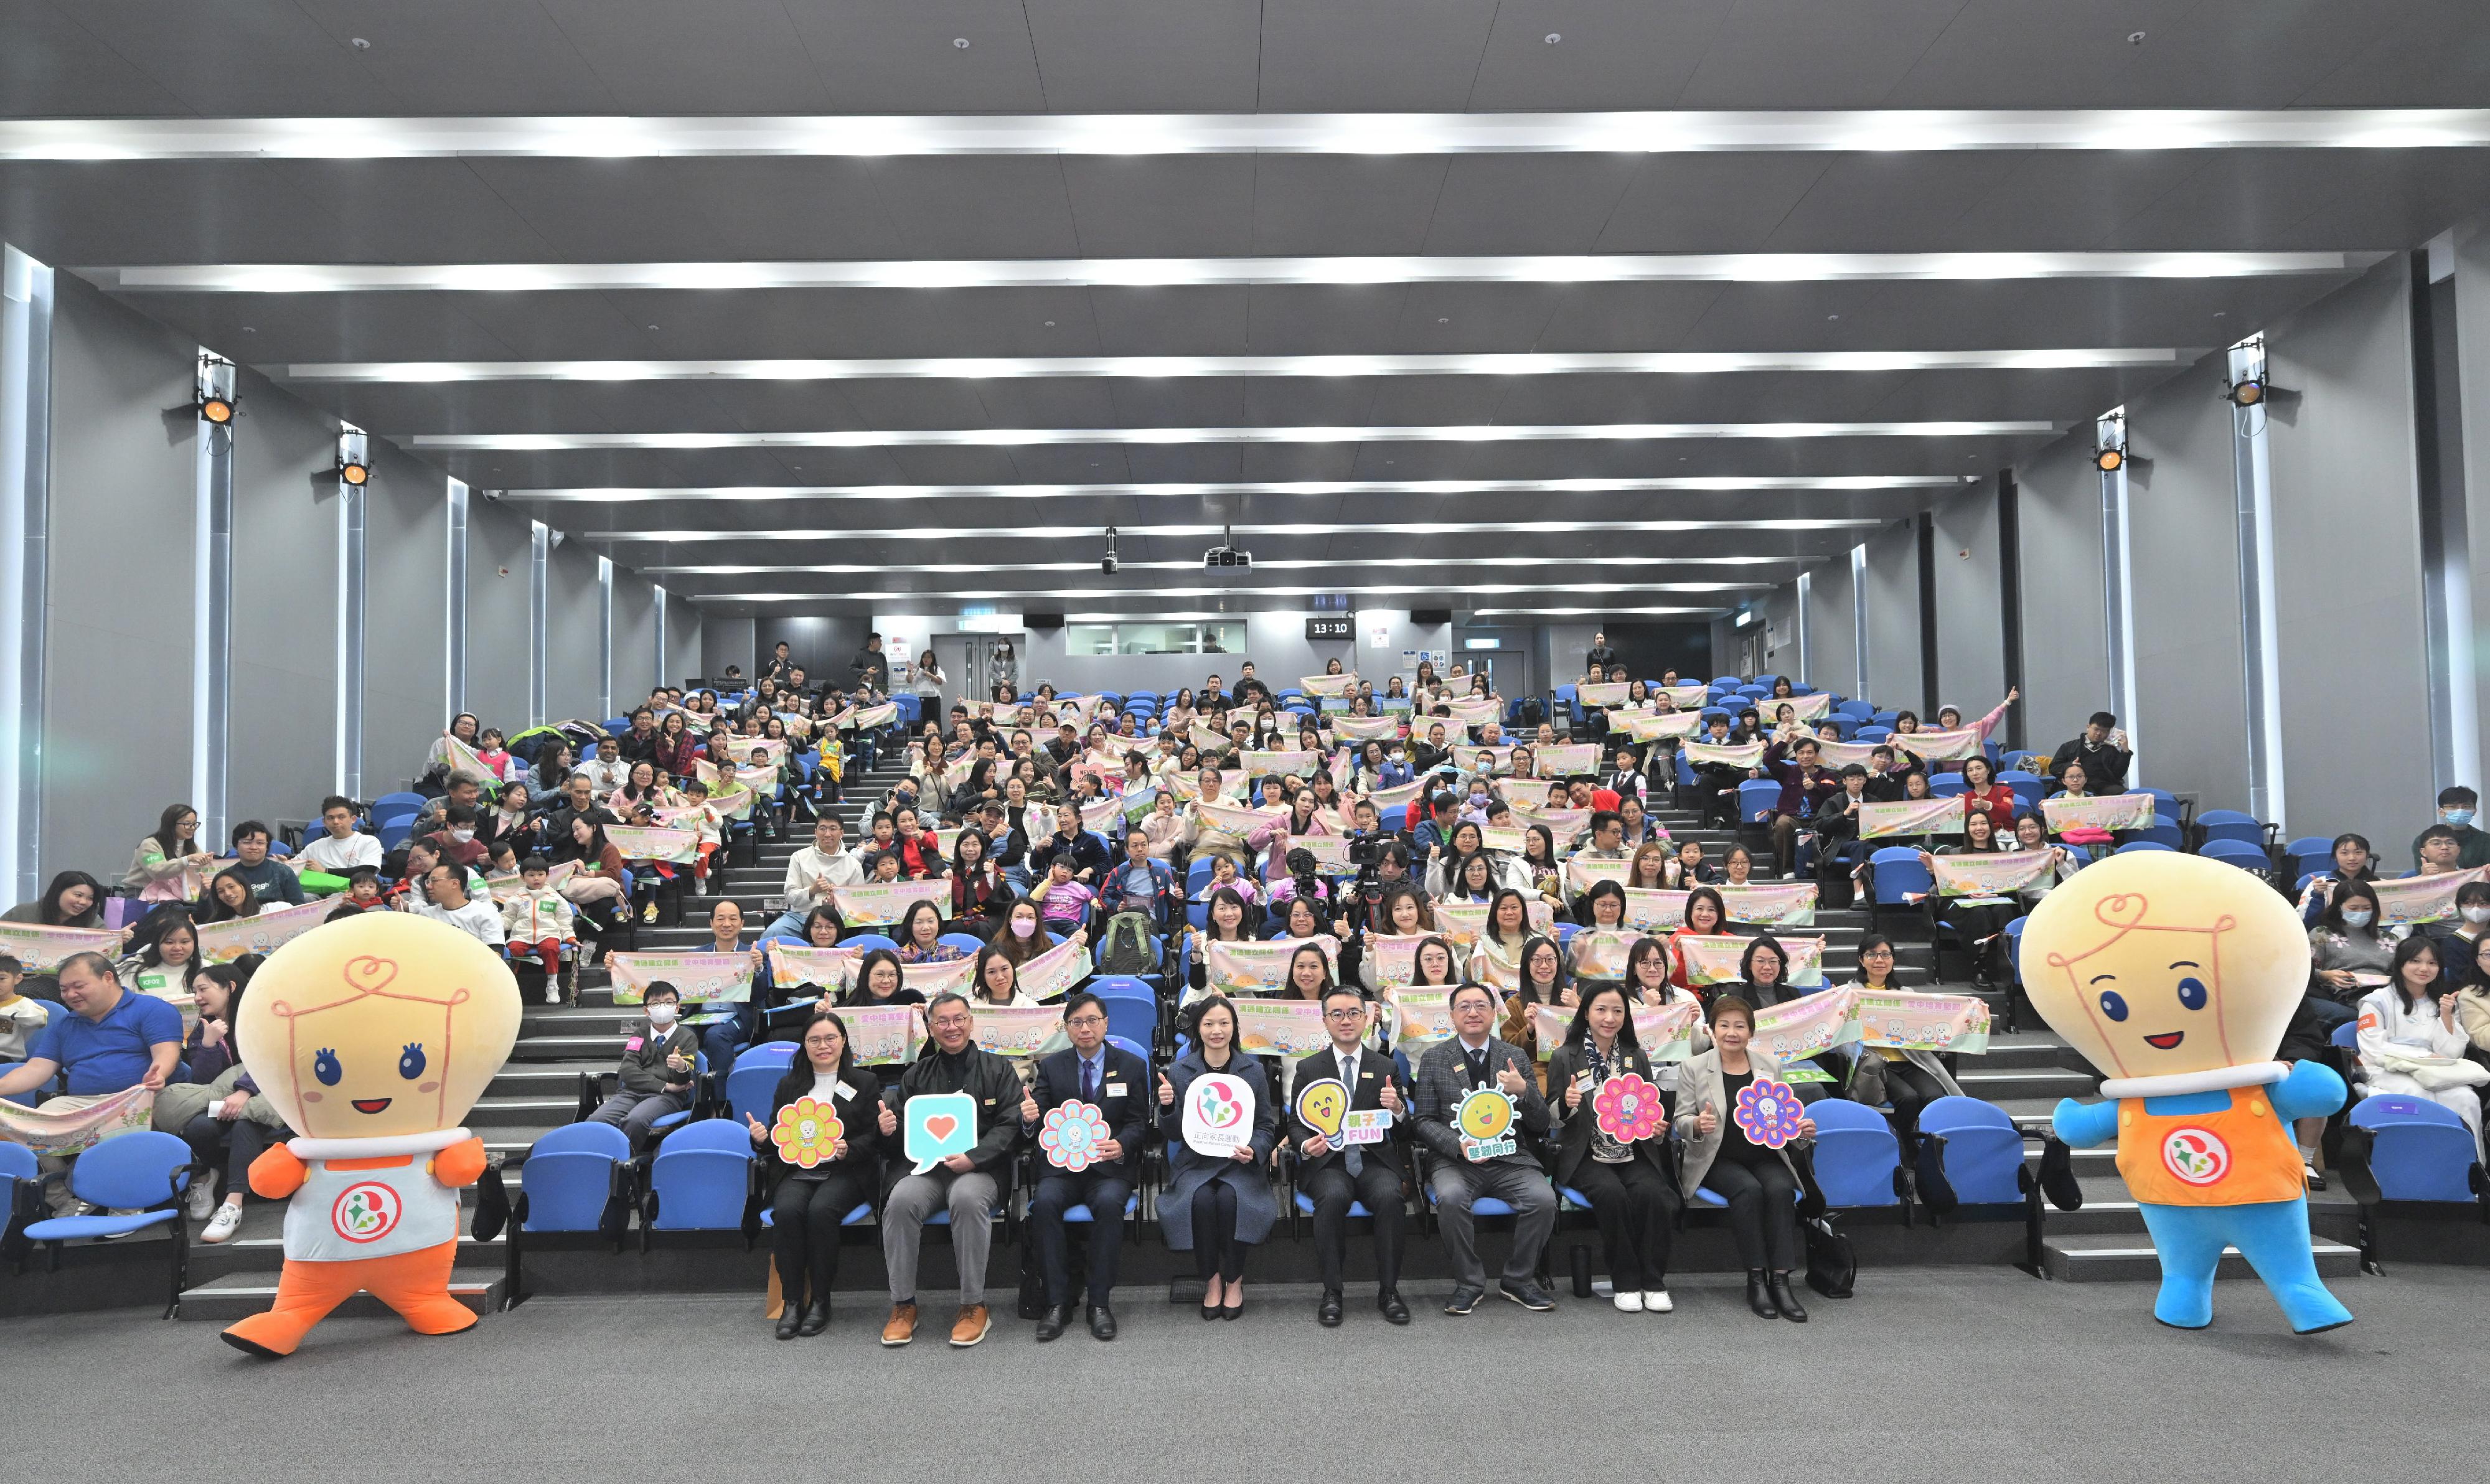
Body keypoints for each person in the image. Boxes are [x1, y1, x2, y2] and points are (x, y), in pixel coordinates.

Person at [873, 991, 1023, 1348]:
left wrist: (975, 1157)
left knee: (967, 1199)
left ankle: (973, 1304)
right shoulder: (917, 1074)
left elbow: (1010, 1124)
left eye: (958, 1019)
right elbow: (903, 1132)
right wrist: (889, 1130)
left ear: (971, 1022)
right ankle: (903, 1304)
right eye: (942, 1021)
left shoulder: (998, 1069)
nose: (951, 1027)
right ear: (930, 1028)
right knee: (900, 1201)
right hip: (926, 1169)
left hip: (979, 1169)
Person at [1410, 982, 1557, 1315]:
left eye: (1481, 1006)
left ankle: (1518, 1280)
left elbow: (1539, 1123)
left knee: (1543, 1200)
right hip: (1456, 1160)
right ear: (1452, 1016)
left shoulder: (1515, 1056)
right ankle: (1469, 1283)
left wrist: (1524, 1091)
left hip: (1510, 1158)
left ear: (1494, 1014)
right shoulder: (1434, 1058)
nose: (1473, 1012)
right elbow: (1423, 1121)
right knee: (1450, 1198)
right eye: (1464, 1007)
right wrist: (1458, 1145)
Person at [0, 954, 184, 1213]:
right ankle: (66, 1197)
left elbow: (166, 1052)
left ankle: (127, 1205)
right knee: (24, 1130)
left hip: (136, 1098)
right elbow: (37, 1069)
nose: (70, 995)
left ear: (107, 978)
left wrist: (159, 1073)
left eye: (78, 986)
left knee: (123, 1128)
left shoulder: (152, 1009)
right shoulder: (65, 1024)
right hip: (81, 1104)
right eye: (64, 989)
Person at [1675, 994, 1819, 1320]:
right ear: (1712, 1030)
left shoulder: (1770, 1066)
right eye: (1724, 1025)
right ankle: (1756, 1279)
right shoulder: (1693, 1067)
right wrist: (1696, 1124)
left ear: (1751, 1032)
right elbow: (1680, 1120)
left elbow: (1780, 1117)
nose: (1732, 1033)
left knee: (1780, 1189)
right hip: (1716, 1158)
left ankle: (1780, 1280)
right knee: (1749, 1190)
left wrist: (1800, 1130)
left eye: (1740, 1026)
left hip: (1765, 1155)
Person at [745, 1008, 882, 1339]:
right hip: (797, 1169)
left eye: (830, 1038)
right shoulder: (790, 1084)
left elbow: (874, 1137)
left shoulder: (864, 1082)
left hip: (846, 1170)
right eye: (814, 1040)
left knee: (821, 1212)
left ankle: (821, 1300)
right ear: (804, 1045)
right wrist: (760, 1139)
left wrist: (850, 1148)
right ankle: (793, 1302)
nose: (823, 1046)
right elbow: (779, 1138)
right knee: (787, 1212)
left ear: (843, 1041)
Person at [1546, 983, 1680, 1313]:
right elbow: (1550, 1115)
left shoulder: (1636, 1056)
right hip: (1586, 1153)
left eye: (1618, 1011)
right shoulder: (1564, 1056)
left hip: (1633, 1150)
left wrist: (1656, 1128)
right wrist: (1566, 1103)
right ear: (1586, 1013)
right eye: (1601, 1010)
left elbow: (1649, 1108)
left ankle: (1654, 1281)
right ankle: (1626, 1281)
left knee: (1654, 1195)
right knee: (1612, 1195)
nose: (1610, 1018)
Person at [1025, 992, 1150, 1341]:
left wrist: (1122, 1144)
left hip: (1108, 1168)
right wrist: (1030, 1119)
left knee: (1109, 1204)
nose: (1085, 1029)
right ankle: (1056, 1303)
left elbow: (1139, 1122)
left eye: (1092, 1020)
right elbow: (1041, 1119)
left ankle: (1099, 1303)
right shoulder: (1052, 1067)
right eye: (1076, 1022)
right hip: (1063, 1170)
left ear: (1106, 1024)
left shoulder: (1131, 1065)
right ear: (1066, 1028)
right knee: (1044, 1204)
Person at [1291, 984, 1411, 1327]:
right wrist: (1305, 1146)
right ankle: (1332, 1291)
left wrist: (1398, 1109)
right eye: (1337, 1014)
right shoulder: (1309, 1068)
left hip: (1374, 1160)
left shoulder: (1385, 1065)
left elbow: (1404, 1130)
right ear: (1325, 1020)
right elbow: (1295, 1124)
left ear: (1367, 1017)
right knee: (1331, 1198)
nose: (1346, 1020)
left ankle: (1389, 1290)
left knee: (1390, 1196)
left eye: (1354, 1013)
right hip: (1329, 1161)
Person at [1155, 995, 1280, 1318]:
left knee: (1229, 1199)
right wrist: (1167, 1107)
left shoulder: (1253, 1070)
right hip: (1196, 1163)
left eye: (1224, 1023)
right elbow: (1173, 1133)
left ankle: (1234, 1280)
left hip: (1239, 1162)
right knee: (1200, 1201)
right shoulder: (1179, 1071)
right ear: (1198, 1028)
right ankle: (1212, 1281)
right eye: (1209, 1023)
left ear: (1234, 1028)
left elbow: (1265, 1125)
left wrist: (1255, 1149)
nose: (1217, 1030)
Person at [2356, 937, 2483, 1150]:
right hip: (2385, 1069)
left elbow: (2450, 1054)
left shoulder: (2442, 1002)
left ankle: (2471, 1162)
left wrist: (2446, 1017)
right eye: (2416, 961)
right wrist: (2422, 1058)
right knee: (2416, 1094)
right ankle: (2422, 1157)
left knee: (2466, 1098)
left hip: (2433, 1071)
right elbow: (2373, 1048)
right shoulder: (2376, 1001)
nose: (2424, 968)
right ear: (2401, 963)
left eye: (2432, 963)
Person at [589, 981, 699, 1150]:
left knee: (635, 1121)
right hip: (631, 1093)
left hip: (667, 1098)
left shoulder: (688, 1037)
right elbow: (627, 1071)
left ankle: (624, 1162)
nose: (662, 1007)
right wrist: (665, 1085)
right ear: (646, 1010)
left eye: (668, 1002)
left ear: (677, 1007)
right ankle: (600, 1159)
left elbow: (682, 1082)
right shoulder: (639, 1034)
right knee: (596, 1120)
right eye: (656, 1003)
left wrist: (681, 1067)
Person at [123, 803, 214, 903]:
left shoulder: (192, 846)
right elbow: (157, 872)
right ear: (171, 824)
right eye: (187, 824)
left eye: (195, 824)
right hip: (140, 893)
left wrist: (208, 862)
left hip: (173, 894)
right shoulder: (150, 844)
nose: (193, 828)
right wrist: (187, 860)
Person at [402, 863, 505, 947]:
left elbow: (496, 953)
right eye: (428, 882)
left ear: (455, 884)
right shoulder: (426, 915)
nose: (428, 886)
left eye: (434, 881)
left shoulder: (486, 913)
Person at [219, 820, 306, 907]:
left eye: (260, 843)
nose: (254, 847)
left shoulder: (284, 872)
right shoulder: (226, 876)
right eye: (247, 842)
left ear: (267, 846)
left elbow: (298, 908)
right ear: (236, 846)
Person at [298, 796, 383, 876]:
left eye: (341, 817)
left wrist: (325, 871)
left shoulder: (369, 842)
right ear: (324, 822)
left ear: (353, 819)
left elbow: (367, 872)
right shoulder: (314, 847)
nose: (336, 822)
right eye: (331, 818)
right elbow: (294, 868)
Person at [2047, 711, 2132, 792]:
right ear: (2088, 727)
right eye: (2096, 729)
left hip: (2105, 786)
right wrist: (2070, 765)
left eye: (2104, 731)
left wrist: (2125, 751)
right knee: (2086, 795)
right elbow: (2053, 768)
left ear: (2109, 732)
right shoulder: (2069, 747)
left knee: (2126, 794)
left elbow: (2118, 774)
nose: (2099, 733)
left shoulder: (2111, 750)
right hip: (2078, 786)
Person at [2414, 786, 2490, 870]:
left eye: (2466, 807)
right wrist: (2425, 874)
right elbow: (2421, 873)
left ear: (2474, 811)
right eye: (2453, 807)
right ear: (2441, 812)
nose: (2460, 811)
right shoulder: (2424, 840)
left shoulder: (2486, 840)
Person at [5, 870, 108, 929]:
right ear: (58, 892)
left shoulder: (93, 923)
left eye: (90, 898)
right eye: (78, 895)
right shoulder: (22, 913)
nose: (83, 902)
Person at [0, 955, 49, 1061]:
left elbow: (40, 1019)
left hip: (6, 1057)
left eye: (2, 979)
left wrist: (11, 1015)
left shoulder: (24, 1004)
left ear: (17, 979)